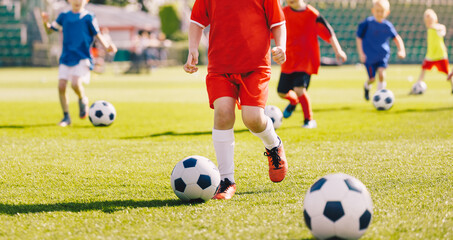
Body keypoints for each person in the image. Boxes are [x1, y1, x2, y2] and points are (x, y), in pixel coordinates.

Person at [183, 0, 288, 200]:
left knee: (253, 118)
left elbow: (278, 22)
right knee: (223, 113)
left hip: (256, 66)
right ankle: (226, 181)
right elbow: (196, 21)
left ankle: (273, 145)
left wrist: (281, 46)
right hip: (220, 67)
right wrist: (192, 49)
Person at [42, 0, 117, 127]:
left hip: (82, 57)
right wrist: (45, 23)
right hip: (66, 57)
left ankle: (82, 99)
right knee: (61, 86)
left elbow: (97, 34)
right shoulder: (64, 16)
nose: (77, 1)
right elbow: (50, 30)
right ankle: (66, 117)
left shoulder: (89, 17)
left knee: (75, 83)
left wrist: (107, 47)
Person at [278, 0, 347, 128]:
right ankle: (294, 102)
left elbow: (329, 32)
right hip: (289, 60)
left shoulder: (312, 14)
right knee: (281, 92)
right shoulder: (283, 12)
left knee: (299, 89)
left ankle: (309, 120)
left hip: (306, 61)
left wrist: (338, 50)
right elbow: (273, 29)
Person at [356, 0, 406, 101]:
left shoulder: (387, 26)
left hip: (382, 55)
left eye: (382, 11)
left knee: (382, 73)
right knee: (372, 79)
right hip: (369, 57)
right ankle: (367, 86)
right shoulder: (367, 23)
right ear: (373, 10)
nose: (379, 13)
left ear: (387, 12)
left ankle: (379, 95)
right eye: (377, 11)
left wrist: (401, 50)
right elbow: (359, 37)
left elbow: (397, 38)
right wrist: (361, 53)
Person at [411, 9, 450, 95]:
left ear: (435, 20)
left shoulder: (438, 28)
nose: (429, 23)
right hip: (430, 55)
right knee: (423, 69)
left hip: (440, 54)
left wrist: (435, 26)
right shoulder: (429, 30)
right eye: (427, 21)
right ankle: (417, 86)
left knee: (448, 73)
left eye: (430, 21)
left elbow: (443, 30)